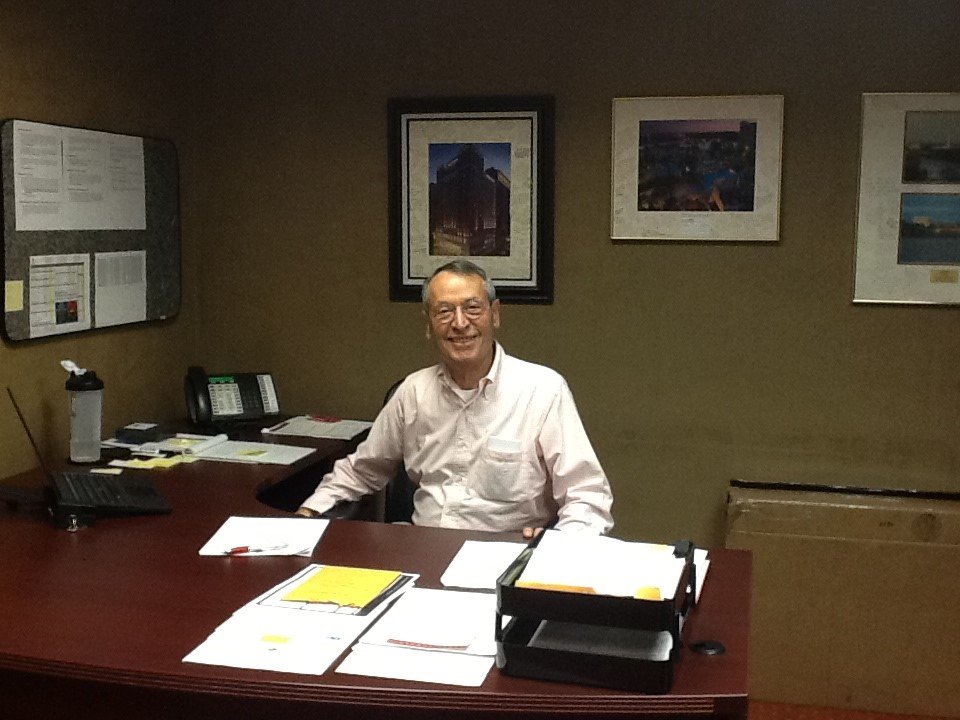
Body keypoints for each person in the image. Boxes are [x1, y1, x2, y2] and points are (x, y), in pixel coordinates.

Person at [297, 260, 613, 536]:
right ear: (429, 324)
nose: (460, 323)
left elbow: (586, 496)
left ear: (495, 315)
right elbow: (361, 470)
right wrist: (307, 514)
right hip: (422, 550)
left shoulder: (542, 390)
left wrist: (553, 549)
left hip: (506, 553)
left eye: (472, 308)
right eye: (444, 311)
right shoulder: (413, 392)